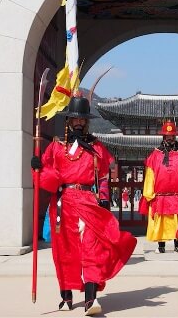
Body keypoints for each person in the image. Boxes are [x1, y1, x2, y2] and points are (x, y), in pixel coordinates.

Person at [31, 95, 137, 316]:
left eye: (82, 120)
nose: (78, 123)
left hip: (89, 202)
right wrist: (38, 167)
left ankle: (90, 299)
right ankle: (66, 293)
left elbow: (105, 177)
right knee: (65, 251)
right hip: (64, 202)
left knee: (93, 249)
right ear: (68, 120)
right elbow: (48, 178)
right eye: (74, 119)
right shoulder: (57, 147)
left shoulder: (97, 147)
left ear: (87, 122)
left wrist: (105, 200)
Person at [139, 119, 178, 253]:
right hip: (159, 196)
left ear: (175, 136)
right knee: (160, 221)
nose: (170, 138)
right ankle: (161, 246)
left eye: (172, 136)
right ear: (163, 136)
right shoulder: (155, 155)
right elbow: (150, 175)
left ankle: (177, 245)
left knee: (177, 221)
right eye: (167, 136)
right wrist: (148, 193)